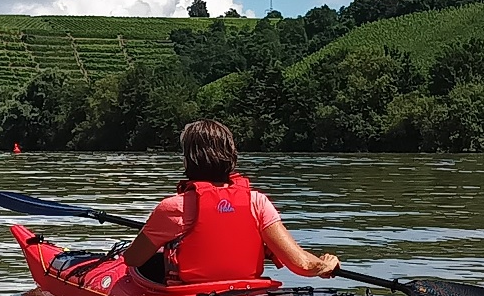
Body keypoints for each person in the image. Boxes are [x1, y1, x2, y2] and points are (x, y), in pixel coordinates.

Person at [122, 119, 340, 285]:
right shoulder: (257, 202)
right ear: (231, 155)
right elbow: (302, 264)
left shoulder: (173, 207)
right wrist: (324, 265)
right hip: (246, 294)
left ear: (189, 159)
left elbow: (133, 259)